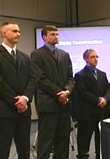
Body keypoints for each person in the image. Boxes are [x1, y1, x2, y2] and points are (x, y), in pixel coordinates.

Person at [0, 22, 35, 159]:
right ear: (4, 33)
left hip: (24, 110)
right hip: (4, 109)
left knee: (24, 149)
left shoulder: (24, 57)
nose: (18, 33)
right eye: (14, 31)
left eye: (19, 31)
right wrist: (15, 101)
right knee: (0, 150)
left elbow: (32, 79)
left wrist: (24, 98)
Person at [30, 25, 74, 159]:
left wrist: (67, 91)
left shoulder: (64, 55)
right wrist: (59, 93)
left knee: (63, 141)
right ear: (44, 37)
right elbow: (40, 78)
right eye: (52, 34)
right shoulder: (37, 54)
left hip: (64, 103)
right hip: (48, 104)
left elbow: (70, 77)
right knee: (46, 141)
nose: (56, 36)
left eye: (57, 34)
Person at [74, 49, 110, 159]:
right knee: (84, 138)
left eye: (97, 57)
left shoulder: (102, 74)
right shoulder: (80, 75)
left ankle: (99, 155)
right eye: (92, 57)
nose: (95, 59)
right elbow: (83, 92)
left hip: (101, 112)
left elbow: (108, 89)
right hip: (87, 112)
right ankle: (82, 156)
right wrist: (97, 101)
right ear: (86, 59)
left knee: (100, 138)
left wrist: (105, 99)